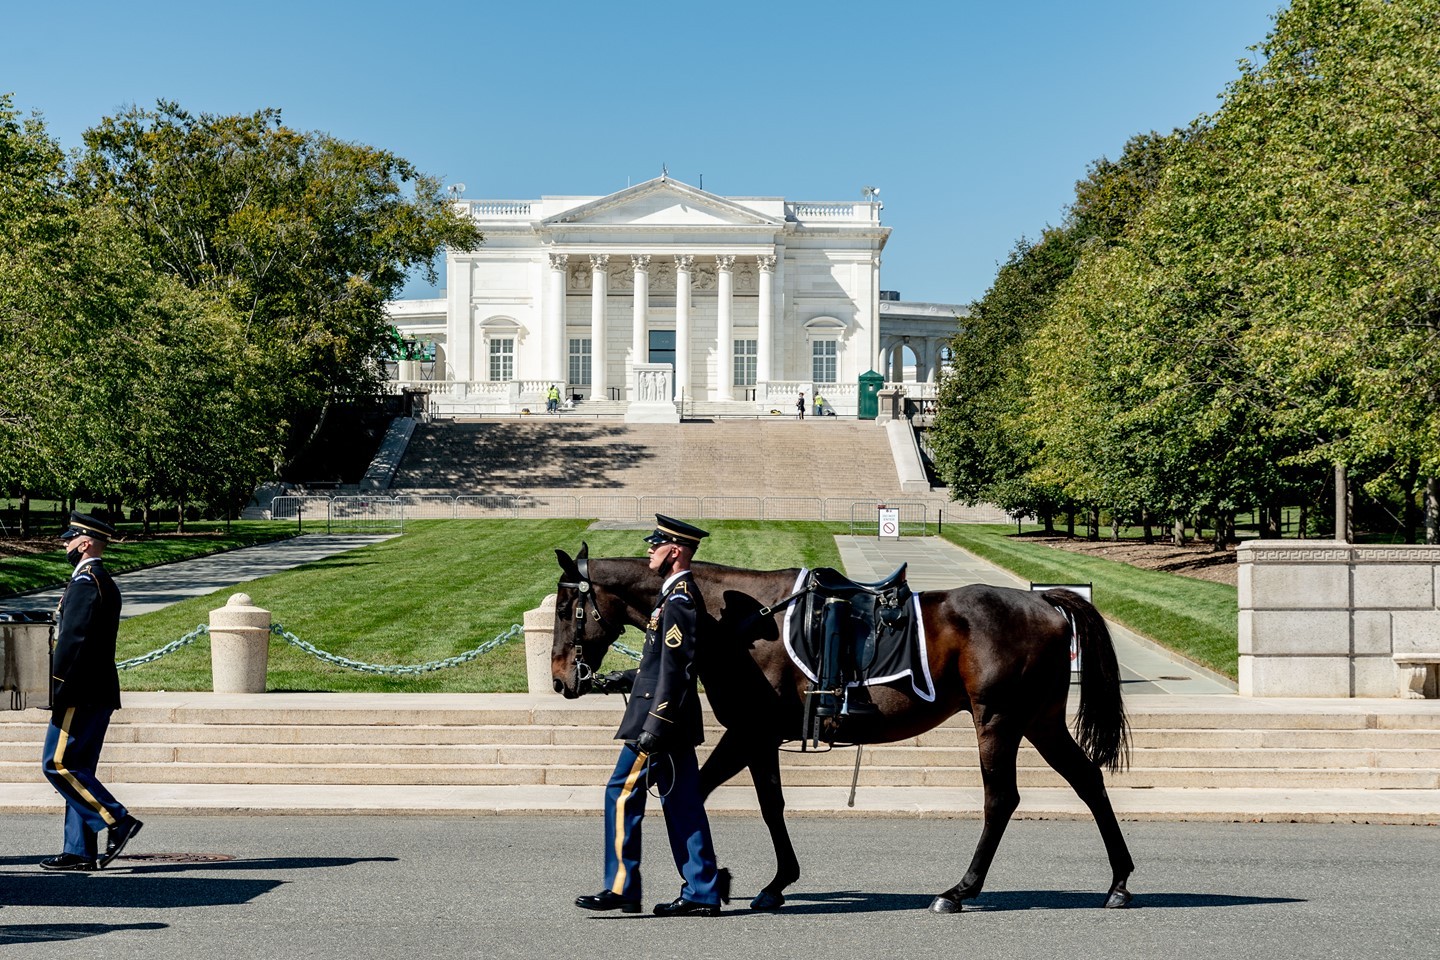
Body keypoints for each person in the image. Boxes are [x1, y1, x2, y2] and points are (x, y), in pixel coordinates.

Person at [575, 515, 729, 917]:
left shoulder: (678, 600)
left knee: (620, 793)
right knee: (683, 804)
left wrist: (655, 726)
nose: (649, 549)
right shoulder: (673, 596)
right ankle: (702, 891)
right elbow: (661, 664)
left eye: (656, 544)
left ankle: (622, 886)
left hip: (658, 722)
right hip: (667, 717)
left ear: (674, 551)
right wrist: (618, 679)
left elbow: (679, 671)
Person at [40, 512, 143, 871]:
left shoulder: (86, 582)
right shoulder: (100, 579)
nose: (65, 544)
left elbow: (73, 641)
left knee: (57, 763)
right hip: (96, 690)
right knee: (78, 768)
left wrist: (52, 685)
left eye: (70, 539)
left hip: (78, 690)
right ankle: (79, 850)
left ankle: (117, 820)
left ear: (84, 543)